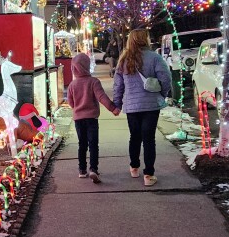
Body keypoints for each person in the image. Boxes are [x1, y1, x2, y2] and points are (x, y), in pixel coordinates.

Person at [113, 29, 172, 186]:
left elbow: (118, 85)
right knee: (149, 139)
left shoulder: (124, 60)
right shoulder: (155, 58)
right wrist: (162, 94)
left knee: (135, 137)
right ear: (145, 39)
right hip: (151, 105)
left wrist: (117, 104)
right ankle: (149, 175)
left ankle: (134, 167)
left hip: (132, 106)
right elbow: (166, 79)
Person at [67, 52, 120, 183]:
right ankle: (93, 169)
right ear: (87, 66)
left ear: (74, 68)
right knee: (93, 144)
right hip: (91, 119)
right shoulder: (93, 82)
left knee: (82, 144)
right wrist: (113, 108)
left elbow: (71, 102)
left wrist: (77, 109)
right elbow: (102, 97)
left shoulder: (72, 85)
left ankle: (82, 170)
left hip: (78, 119)